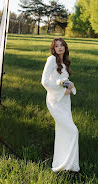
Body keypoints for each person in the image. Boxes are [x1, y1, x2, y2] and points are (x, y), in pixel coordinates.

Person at [41, 38, 80, 172]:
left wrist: (69, 85)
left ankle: (68, 164)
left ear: (65, 47)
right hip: (55, 100)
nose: (59, 48)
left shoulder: (64, 62)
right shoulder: (51, 60)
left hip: (65, 102)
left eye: (61, 45)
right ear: (54, 48)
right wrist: (62, 90)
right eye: (57, 46)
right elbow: (45, 81)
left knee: (63, 131)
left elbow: (62, 80)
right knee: (73, 131)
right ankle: (64, 164)